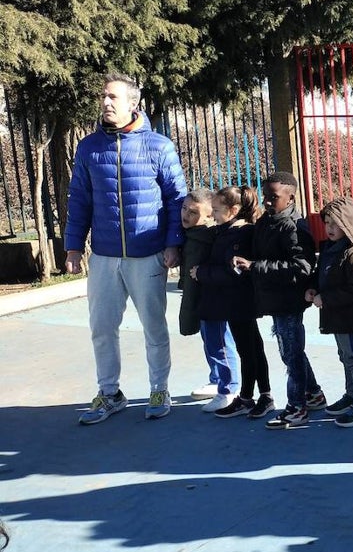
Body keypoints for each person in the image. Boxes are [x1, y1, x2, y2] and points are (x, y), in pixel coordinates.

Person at [67, 73, 188, 424]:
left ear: (133, 103)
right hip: (104, 255)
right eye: (103, 96)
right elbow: (80, 200)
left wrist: (172, 244)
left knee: (153, 326)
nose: (106, 102)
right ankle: (109, 393)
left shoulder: (158, 146)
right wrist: (74, 247)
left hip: (148, 253)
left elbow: (176, 198)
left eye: (113, 97)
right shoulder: (88, 147)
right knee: (102, 327)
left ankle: (158, 388)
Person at [231, 171, 325, 428]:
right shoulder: (267, 221)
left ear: (291, 197)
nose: (268, 202)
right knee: (290, 351)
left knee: (291, 355)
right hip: (273, 299)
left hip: (289, 300)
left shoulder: (293, 226)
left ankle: (296, 407)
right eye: (266, 197)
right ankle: (313, 393)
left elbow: (302, 266)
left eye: (274, 197)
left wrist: (256, 266)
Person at [191, 187, 268, 419]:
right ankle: (260, 395)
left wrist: (202, 273)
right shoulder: (226, 231)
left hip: (240, 301)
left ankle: (249, 396)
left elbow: (234, 271)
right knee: (252, 348)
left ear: (233, 210)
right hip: (234, 301)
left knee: (249, 350)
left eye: (216, 210)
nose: (213, 214)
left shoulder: (241, 233)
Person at [307, 197, 353, 428]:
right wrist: (314, 288)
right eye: (327, 223)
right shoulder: (329, 248)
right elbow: (323, 275)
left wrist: (326, 298)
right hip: (336, 316)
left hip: (351, 318)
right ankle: (350, 395)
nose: (330, 228)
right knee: (345, 357)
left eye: (336, 223)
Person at [178, 188, 241, 411]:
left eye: (193, 212)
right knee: (210, 340)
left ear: (209, 217)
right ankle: (217, 381)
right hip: (203, 299)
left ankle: (229, 390)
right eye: (184, 208)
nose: (185, 215)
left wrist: (202, 274)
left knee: (220, 343)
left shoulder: (210, 237)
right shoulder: (192, 235)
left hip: (215, 300)